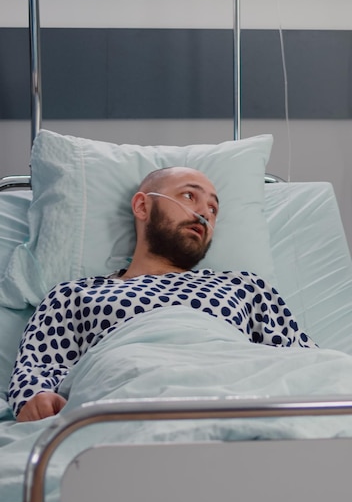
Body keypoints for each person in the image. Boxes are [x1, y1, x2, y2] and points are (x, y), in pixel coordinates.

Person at [8, 166, 316, 422]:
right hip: (122, 407)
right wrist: (37, 399)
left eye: (213, 208)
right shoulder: (74, 294)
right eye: (189, 196)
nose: (203, 214)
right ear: (142, 206)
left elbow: (305, 362)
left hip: (232, 403)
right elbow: (36, 368)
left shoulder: (244, 286)